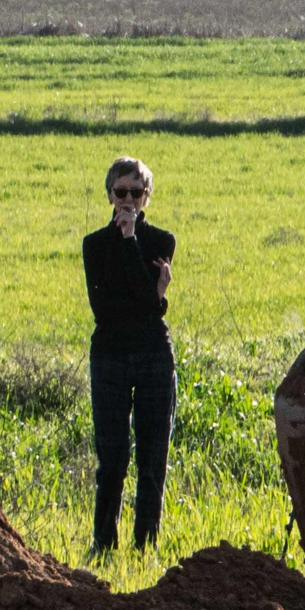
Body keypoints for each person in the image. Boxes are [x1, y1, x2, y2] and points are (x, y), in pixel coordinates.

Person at [82, 155, 176, 556]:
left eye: (136, 193)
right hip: (110, 359)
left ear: (147, 197)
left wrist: (131, 241)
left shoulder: (162, 242)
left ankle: (145, 548)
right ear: (109, 195)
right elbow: (107, 311)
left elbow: (145, 307)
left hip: (155, 357)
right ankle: (103, 546)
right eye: (120, 192)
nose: (128, 201)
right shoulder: (93, 245)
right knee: (112, 460)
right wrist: (154, 294)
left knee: (152, 460)